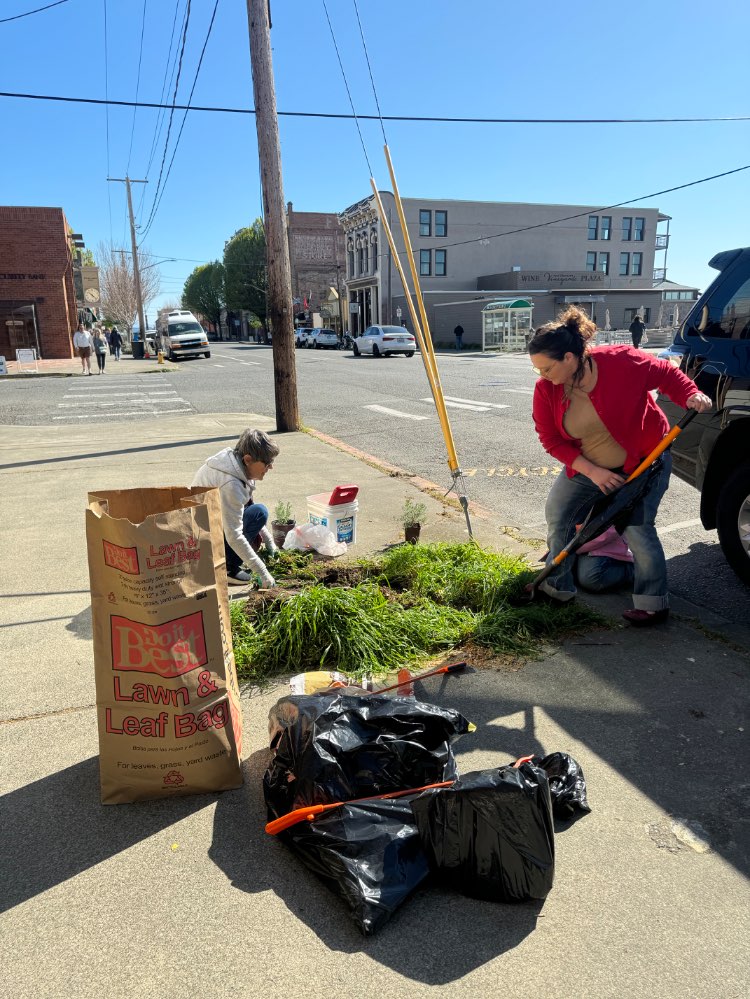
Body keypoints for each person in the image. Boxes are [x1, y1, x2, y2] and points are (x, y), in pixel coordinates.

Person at [528, 306, 712, 626]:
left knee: (638, 528)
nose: (541, 376)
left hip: (645, 462)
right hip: (588, 467)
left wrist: (691, 394)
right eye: (537, 370)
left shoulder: (622, 362)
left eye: (546, 368)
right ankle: (557, 588)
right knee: (558, 515)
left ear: (569, 359)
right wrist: (593, 472)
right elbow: (550, 439)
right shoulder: (547, 389)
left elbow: (667, 374)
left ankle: (653, 603)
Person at [192, 429, 280, 587]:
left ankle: (226, 559)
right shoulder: (231, 484)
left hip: (211, 526)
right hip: (203, 541)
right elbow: (234, 535)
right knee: (260, 512)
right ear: (248, 459)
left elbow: (247, 505)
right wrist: (263, 572)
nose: (271, 467)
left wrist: (269, 541)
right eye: (267, 463)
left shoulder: (236, 465)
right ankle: (227, 567)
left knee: (257, 512)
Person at [573, 526, 635, 593]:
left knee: (590, 579)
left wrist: (574, 547)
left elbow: (606, 535)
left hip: (604, 548)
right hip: (581, 544)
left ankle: (631, 571)